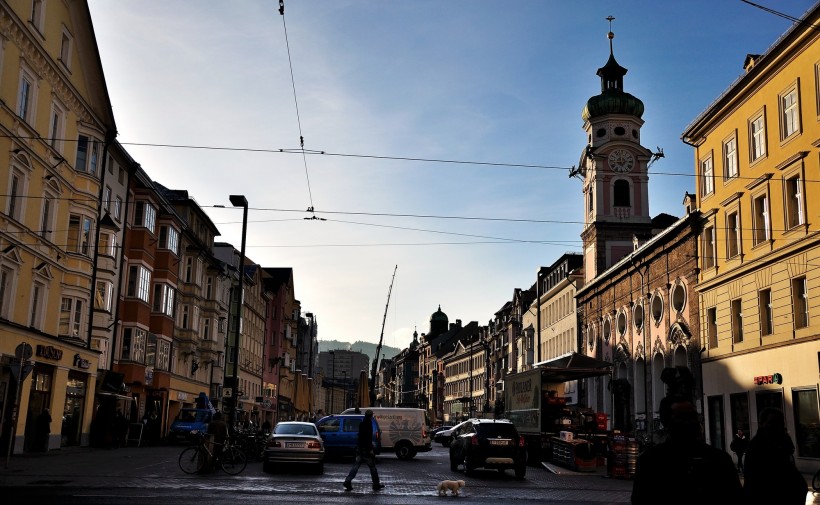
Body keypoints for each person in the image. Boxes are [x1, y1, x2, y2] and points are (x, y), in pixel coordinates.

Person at [631, 395, 742, 504]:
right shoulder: (650, 461)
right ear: (667, 422)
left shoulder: (719, 459)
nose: (690, 422)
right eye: (683, 417)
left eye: (693, 416)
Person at [743, 407, 807, 504]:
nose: (776, 426)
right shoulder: (757, 446)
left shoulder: (781, 441)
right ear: (762, 424)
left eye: (779, 423)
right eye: (771, 423)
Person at [343, 409, 383, 491]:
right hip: (366, 449)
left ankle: (348, 481)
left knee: (356, 466)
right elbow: (367, 438)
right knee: (372, 467)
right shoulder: (369, 424)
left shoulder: (362, 423)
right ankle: (376, 484)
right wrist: (370, 449)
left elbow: (361, 437)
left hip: (360, 448)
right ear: (370, 416)